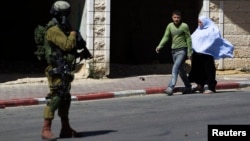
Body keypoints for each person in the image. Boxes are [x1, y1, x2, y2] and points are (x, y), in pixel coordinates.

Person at [41, 1, 80, 140]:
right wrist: (73, 34)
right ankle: (46, 129)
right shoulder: (53, 30)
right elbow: (67, 45)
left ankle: (66, 128)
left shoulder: (61, 28)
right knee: (56, 97)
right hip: (56, 68)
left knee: (65, 98)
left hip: (64, 68)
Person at [188, 15, 234, 94]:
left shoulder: (212, 29)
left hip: (207, 54)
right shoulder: (198, 30)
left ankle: (211, 87)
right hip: (197, 54)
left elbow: (214, 39)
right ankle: (200, 85)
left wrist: (205, 46)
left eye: (200, 22)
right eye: (198, 22)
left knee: (209, 70)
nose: (199, 24)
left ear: (205, 22)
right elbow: (193, 39)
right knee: (198, 70)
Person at [156, 10, 192, 96]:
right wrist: (160, 46)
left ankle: (170, 87)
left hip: (182, 50)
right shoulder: (170, 26)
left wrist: (189, 52)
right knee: (180, 71)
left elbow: (188, 39)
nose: (176, 19)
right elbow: (166, 36)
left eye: (178, 17)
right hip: (173, 51)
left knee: (175, 68)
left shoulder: (184, 26)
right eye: (175, 17)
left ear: (180, 18)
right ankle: (188, 86)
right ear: (172, 17)